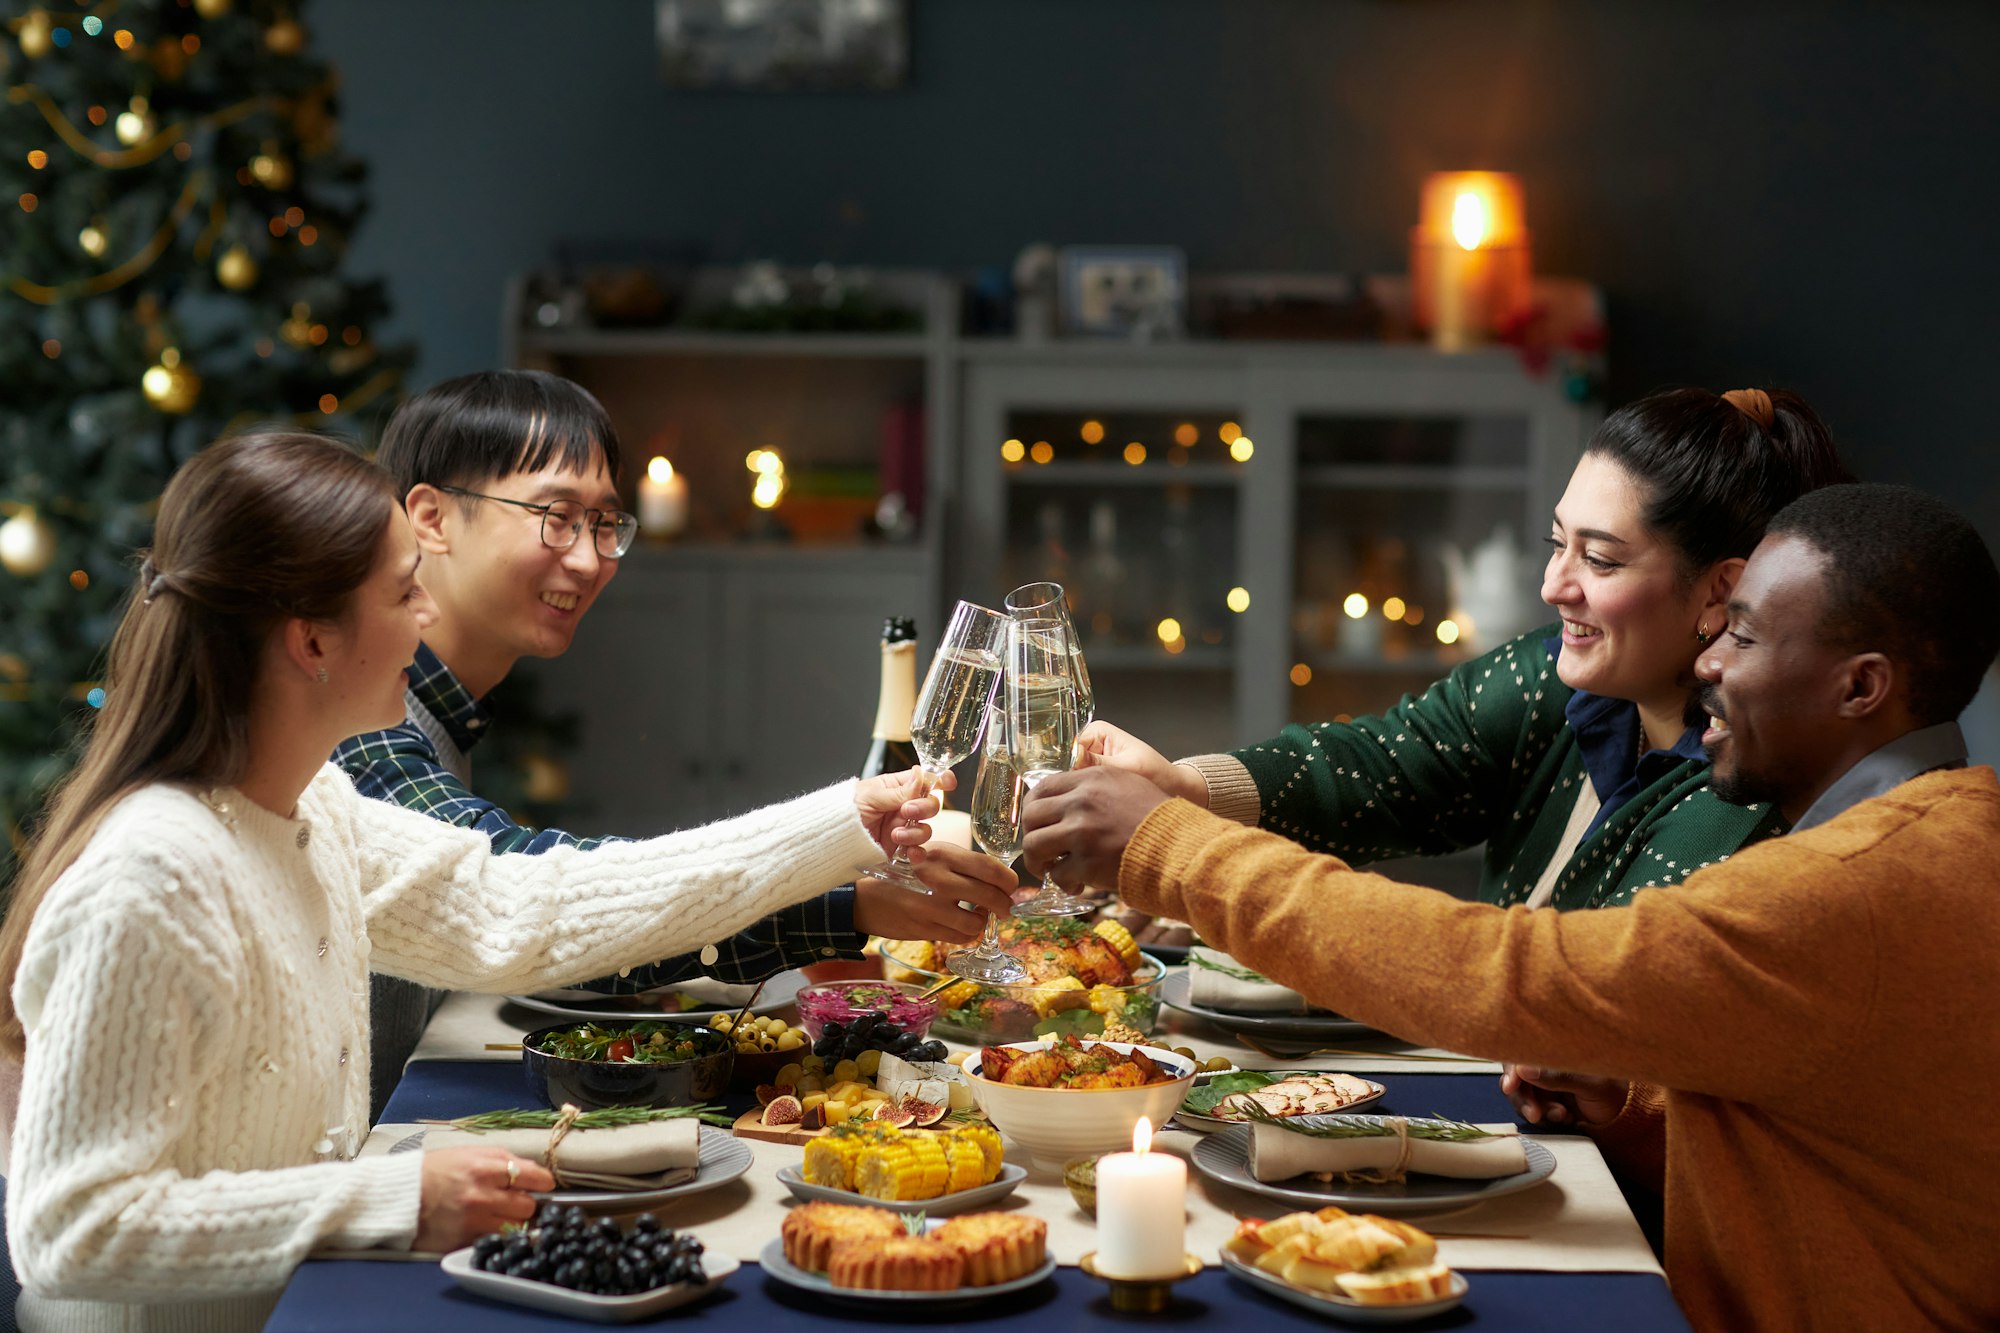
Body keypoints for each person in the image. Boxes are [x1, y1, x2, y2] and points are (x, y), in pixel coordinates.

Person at [0, 434, 949, 1333]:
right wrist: (396, 1192)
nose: (425, 617)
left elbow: (533, 906)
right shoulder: (151, 881)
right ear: (313, 642)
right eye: (404, 592)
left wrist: (841, 823)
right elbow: (68, 1232)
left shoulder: (313, 808)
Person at [1022, 483, 2000, 1331]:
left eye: (1739, 635)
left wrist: (1166, 845)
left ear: (1859, 686)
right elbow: (1842, 1161)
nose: (1705, 661)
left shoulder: (1844, 888)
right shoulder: (1944, 834)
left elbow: (1505, 972)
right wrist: (1632, 1120)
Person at [334, 371, 1014, 1117]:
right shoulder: (360, 723)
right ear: (430, 517)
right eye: (556, 516)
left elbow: (570, 915)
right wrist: (843, 843)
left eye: (604, 524)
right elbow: (527, 899)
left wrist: (854, 903)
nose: (591, 560)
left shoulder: (433, 712)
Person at [1082, 386, 1850, 910]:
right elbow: (1382, 765)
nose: (1555, 585)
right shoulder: (1560, 678)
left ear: (1721, 590)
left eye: (1601, 560)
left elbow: (1563, 977)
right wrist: (1184, 786)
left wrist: (1181, 849)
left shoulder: (1748, 781)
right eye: (1557, 544)